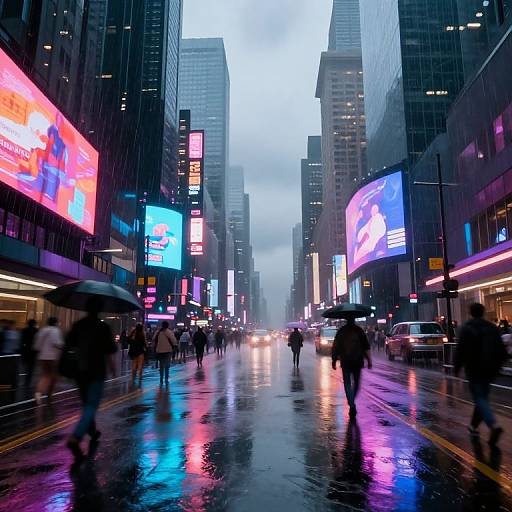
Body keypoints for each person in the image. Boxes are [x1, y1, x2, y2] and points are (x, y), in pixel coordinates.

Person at [65, 298, 117, 461]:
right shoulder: (103, 327)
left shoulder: (78, 325)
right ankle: (76, 436)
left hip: (80, 372)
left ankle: (93, 432)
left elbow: (68, 344)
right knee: (91, 405)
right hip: (96, 371)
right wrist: (112, 367)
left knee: (87, 403)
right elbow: (110, 349)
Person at [455, 303, 508, 445]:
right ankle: (473, 426)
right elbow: (502, 350)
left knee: (479, 398)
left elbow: (460, 350)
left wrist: (456, 368)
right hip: (490, 369)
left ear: (470, 313)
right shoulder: (492, 328)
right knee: (482, 397)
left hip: (474, 368)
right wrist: (499, 366)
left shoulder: (467, 328)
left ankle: (493, 425)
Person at [332, 317, 372, 419]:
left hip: (345, 361)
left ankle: (351, 403)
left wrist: (334, 359)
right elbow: (366, 347)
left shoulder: (341, 331)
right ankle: (352, 401)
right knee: (357, 383)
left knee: (347, 384)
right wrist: (369, 360)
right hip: (358, 361)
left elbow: (335, 346)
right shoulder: (359, 331)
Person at [34, 317, 63, 404]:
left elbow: (37, 345)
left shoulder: (42, 330)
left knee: (45, 375)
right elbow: (57, 343)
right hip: (53, 357)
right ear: (55, 323)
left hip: (42, 357)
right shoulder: (55, 330)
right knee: (53, 376)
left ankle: (38, 393)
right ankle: (49, 395)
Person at [153, 321, 177, 386]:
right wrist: (175, 346)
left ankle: (161, 379)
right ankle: (166, 379)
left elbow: (153, 339)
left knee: (161, 365)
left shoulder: (158, 332)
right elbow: (174, 341)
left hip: (159, 351)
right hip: (168, 351)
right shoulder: (169, 332)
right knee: (167, 365)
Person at [20, 319, 38, 386]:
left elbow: (22, 341)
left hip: (26, 351)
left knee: (26, 366)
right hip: (33, 351)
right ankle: (28, 381)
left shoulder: (24, 330)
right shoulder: (36, 331)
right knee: (31, 367)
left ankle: (26, 380)